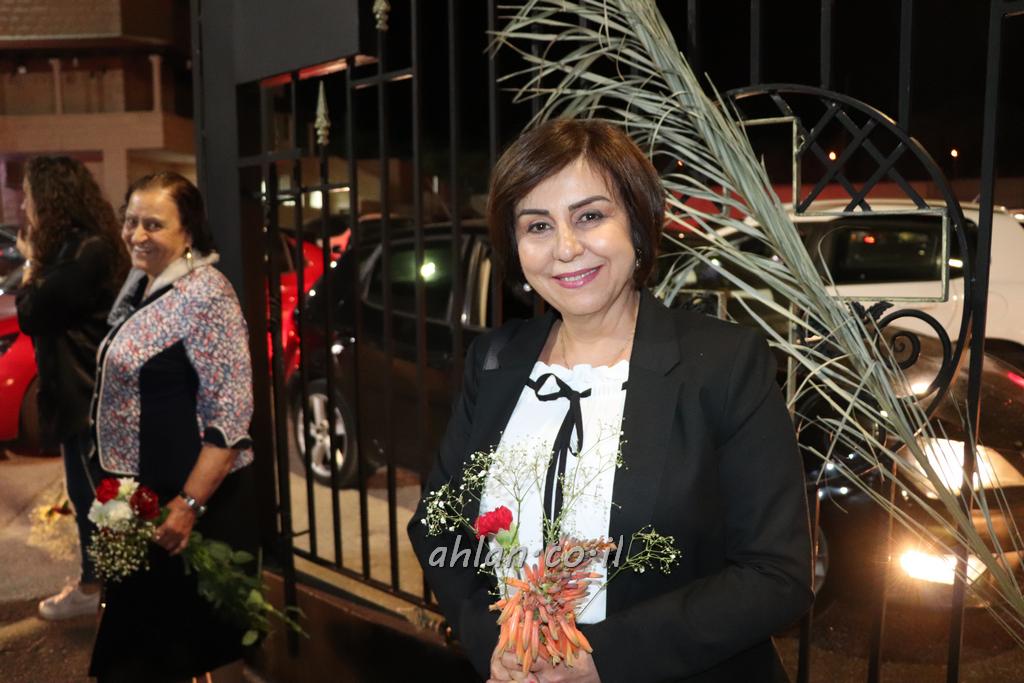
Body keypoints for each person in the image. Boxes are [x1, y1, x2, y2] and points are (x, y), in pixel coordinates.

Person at [408, 119, 813, 683]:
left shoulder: (722, 363)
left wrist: (601, 659)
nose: (566, 248)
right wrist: (492, 641)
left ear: (638, 225)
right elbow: (437, 525)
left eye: (590, 216)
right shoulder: (495, 360)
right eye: (538, 225)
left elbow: (776, 575)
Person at [88, 172, 258, 683]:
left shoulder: (207, 296)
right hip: (138, 502)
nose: (136, 234)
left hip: (183, 512)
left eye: (153, 224)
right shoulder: (143, 282)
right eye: (131, 221)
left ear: (189, 232)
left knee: (174, 654)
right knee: (150, 654)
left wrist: (187, 507)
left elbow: (230, 417)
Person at [15, 156, 130, 621]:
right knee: (93, 498)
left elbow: (32, 311)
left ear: (51, 198)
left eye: (29, 195)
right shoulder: (80, 247)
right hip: (79, 393)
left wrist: (30, 262)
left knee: (98, 498)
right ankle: (103, 583)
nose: (24, 205)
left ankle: (97, 587)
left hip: (87, 394)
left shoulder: (86, 250)